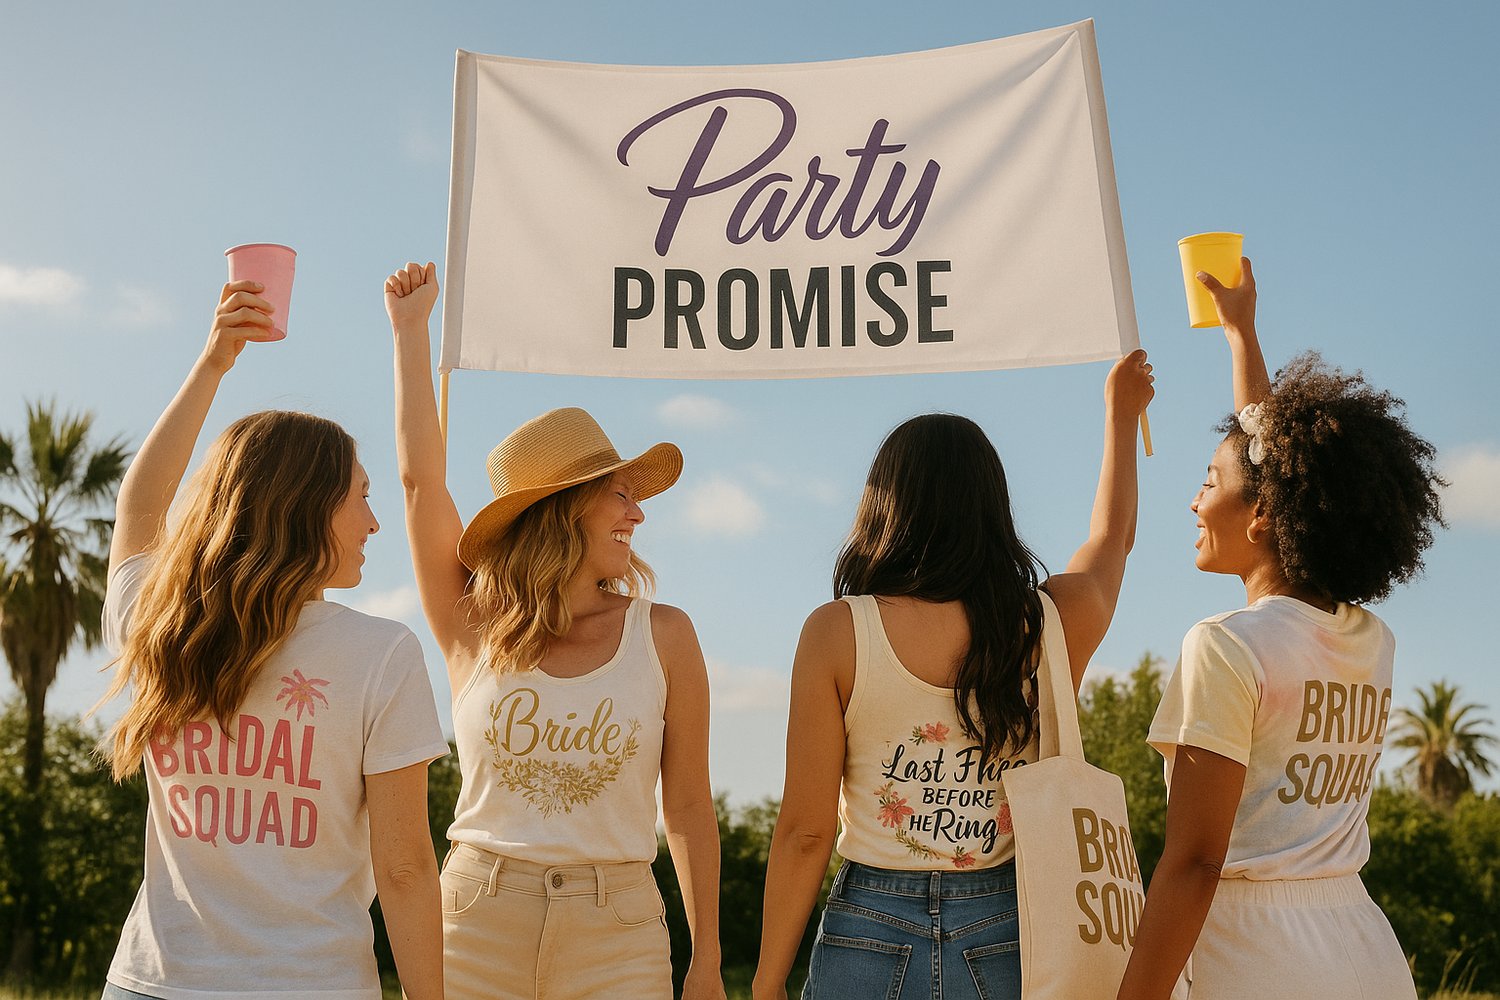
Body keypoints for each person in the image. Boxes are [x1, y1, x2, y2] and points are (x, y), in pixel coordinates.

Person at [752, 351, 1156, 1000]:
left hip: (867, 923)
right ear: (994, 507)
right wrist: (1120, 414)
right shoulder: (1048, 623)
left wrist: (767, 985)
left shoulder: (836, 631)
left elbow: (805, 833)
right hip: (1007, 922)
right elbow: (1115, 540)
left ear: (883, 507)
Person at [97, 280, 449, 1000]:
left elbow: (139, 505)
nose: (374, 524)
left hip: (150, 985)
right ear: (307, 510)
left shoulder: (161, 623)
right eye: (361, 497)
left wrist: (213, 361)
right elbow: (406, 867)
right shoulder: (382, 655)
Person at [384, 261, 726, 1000]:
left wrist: (707, 959)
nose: (637, 514)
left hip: (620, 930)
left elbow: (690, 805)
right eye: (621, 495)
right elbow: (421, 486)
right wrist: (412, 334)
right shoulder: (471, 625)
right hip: (475, 919)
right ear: (562, 508)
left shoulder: (665, 635)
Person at [1115, 260, 1441, 1000]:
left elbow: (1195, 863)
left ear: (1263, 518)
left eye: (1207, 482)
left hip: (1255, 960)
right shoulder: (1370, 640)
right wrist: (1240, 334)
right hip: (1366, 949)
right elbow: (1283, 466)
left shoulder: (1228, 645)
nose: (1195, 503)